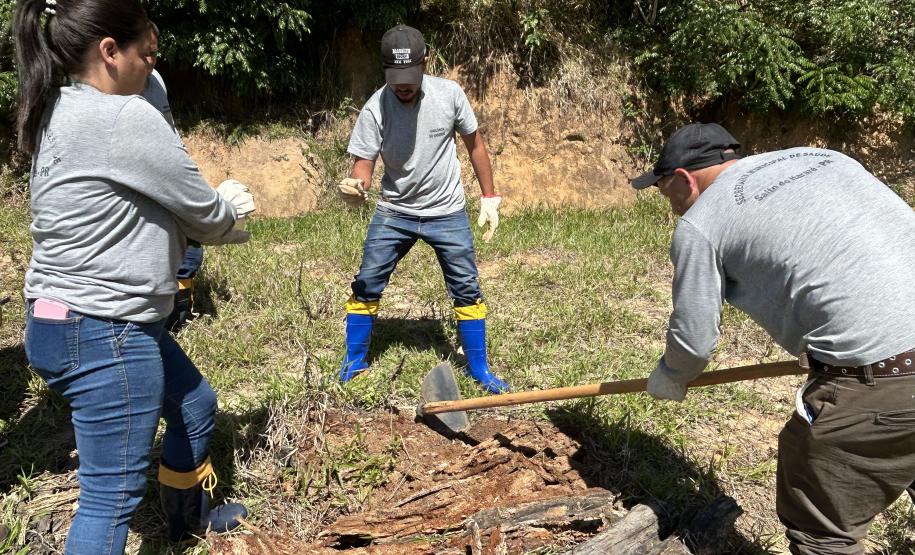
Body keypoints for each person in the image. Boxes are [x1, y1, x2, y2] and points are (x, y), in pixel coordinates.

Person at [13, 0, 255, 552]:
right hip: (105, 330)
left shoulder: (58, 106)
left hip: (58, 321)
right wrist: (231, 210)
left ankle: (187, 519)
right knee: (108, 498)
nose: (152, 67)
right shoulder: (124, 118)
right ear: (109, 52)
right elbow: (204, 215)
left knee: (195, 405)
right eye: (146, 56)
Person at [631, 122, 915, 554]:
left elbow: (694, 340)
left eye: (665, 191)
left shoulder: (701, 223)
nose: (670, 206)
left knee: (823, 528)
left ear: (685, 178)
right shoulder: (825, 158)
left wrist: (670, 377)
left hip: (883, 382)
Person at [337, 24, 508, 393]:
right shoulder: (374, 107)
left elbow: (475, 145)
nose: (403, 86)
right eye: (396, 78)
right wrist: (357, 186)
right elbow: (363, 164)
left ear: (424, 64)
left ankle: (478, 367)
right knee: (367, 281)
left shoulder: (450, 95)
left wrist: (489, 196)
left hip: (446, 211)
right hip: (394, 212)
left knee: (467, 286)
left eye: (410, 77)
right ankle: (353, 362)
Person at [142, 24, 204, 332]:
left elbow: (169, 127)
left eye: (156, 52)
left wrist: (184, 164)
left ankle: (182, 305)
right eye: (146, 53)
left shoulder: (154, 80)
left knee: (191, 240)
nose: (152, 59)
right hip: (140, 179)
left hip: (168, 169)